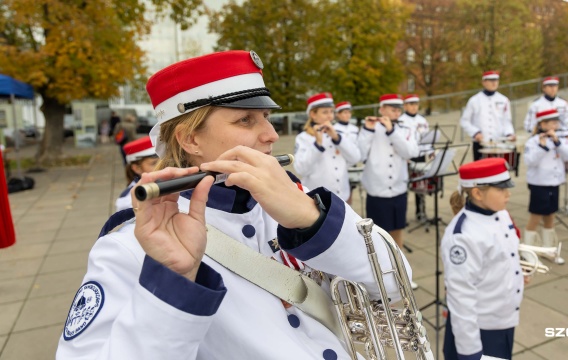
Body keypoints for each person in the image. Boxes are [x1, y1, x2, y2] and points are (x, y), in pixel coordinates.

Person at [56, 50, 412, 359]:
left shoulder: (299, 199)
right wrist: (173, 280)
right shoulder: (129, 248)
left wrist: (310, 220)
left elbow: (397, 285)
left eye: (267, 117)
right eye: (245, 119)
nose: (271, 135)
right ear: (190, 138)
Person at [442, 157, 524, 360]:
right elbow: (461, 297)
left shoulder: (500, 213)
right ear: (477, 193)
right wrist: (470, 352)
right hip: (479, 329)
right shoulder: (462, 236)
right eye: (501, 189)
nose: (508, 193)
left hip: (502, 320)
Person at [358, 94, 420, 249]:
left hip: (399, 188)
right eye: (392, 110)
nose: (397, 113)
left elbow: (411, 152)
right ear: (382, 110)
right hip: (377, 190)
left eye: (398, 110)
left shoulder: (405, 129)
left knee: (398, 228)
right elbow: (359, 155)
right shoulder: (370, 129)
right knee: (377, 233)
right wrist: (367, 130)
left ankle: (399, 261)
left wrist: (392, 132)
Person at [522, 109, 568, 264]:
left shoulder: (560, 139)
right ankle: (528, 252)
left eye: (556, 122)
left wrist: (558, 142)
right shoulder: (533, 141)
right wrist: (542, 147)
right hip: (539, 183)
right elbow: (529, 161)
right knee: (536, 216)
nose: (555, 125)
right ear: (542, 124)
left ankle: (548, 249)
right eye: (552, 122)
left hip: (554, 182)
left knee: (550, 215)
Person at [293, 93, 360, 202]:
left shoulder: (338, 134)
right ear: (313, 114)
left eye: (331, 112)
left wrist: (337, 138)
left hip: (342, 196)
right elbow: (301, 170)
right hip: (318, 200)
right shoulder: (303, 138)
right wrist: (317, 145)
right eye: (325, 112)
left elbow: (355, 158)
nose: (330, 116)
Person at [460, 71, 515, 161]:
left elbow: (507, 121)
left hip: (499, 143)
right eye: (491, 80)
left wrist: (509, 134)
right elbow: (464, 121)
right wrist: (475, 133)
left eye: (496, 80)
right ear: (484, 82)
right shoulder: (474, 100)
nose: (494, 83)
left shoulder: (504, 100)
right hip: (481, 143)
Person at [399, 94, 433, 222]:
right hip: (407, 158)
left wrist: (430, 151)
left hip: (420, 156)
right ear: (405, 106)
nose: (414, 107)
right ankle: (403, 215)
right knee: (405, 186)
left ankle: (420, 212)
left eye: (416, 104)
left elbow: (427, 139)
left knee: (421, 185)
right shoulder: (401, 120)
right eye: (411, 104)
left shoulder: (422, 120)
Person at [114, 136, 158, 213]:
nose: (161, 166)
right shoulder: (128, 200)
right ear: (137, 168)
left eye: (163, 161)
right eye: (154, 163)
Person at [333, 101, 362, 205]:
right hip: (339, 163)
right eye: (344, 113)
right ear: (338, 114)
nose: (347, 115)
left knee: (350, 193)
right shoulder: (334, 129)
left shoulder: (354, 129)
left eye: (348, 112)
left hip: (351, 164)